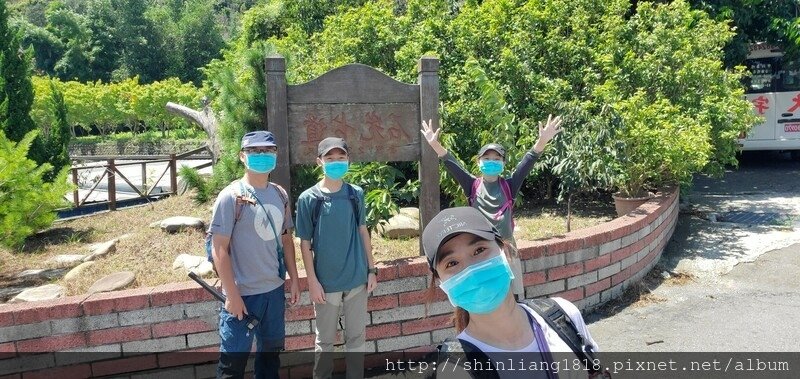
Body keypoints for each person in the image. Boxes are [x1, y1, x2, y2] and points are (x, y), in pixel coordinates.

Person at [422, 207, 602, 379]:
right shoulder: (456, 370)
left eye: (479, 250)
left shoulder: (563, 316)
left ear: (505, 252)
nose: (472, 270)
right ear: (441, 283)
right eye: (452, 263)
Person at [420, 115, 563, 300]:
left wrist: (542, 141)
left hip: (506, 246)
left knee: (512, 293)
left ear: (503, 164)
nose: (491, 161)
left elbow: (527, 163)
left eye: (497, 159)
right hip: (481, 248)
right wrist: (435, 145)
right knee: (485, 293)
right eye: (486, 158)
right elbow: (452, 165)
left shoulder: (509, 186)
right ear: (479, 162)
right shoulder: (472, 185)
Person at [208, 130, 301, 379]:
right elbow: (219, 249)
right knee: (232, 365)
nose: (262, 155)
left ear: (275, 155)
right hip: (243, 294)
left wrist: (293, 278)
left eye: (267, 151)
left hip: (273, 291)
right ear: (242, 156)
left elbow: (286, 240)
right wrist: (232, 294)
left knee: (270, 358)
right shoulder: (231, 197)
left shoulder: (279, 194)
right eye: (254, 151)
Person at [295, 137, 378, 379]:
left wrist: (371, 271)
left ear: (348, 160)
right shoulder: (308, 198)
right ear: (319, 161)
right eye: (330, 159)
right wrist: (312, 281)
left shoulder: (355, 194)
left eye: (341, 158)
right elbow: (305, 243)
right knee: (325, 342)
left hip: (356, 280)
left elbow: (363, 231)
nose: (336, 163)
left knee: (356, 339)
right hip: (326, 284)